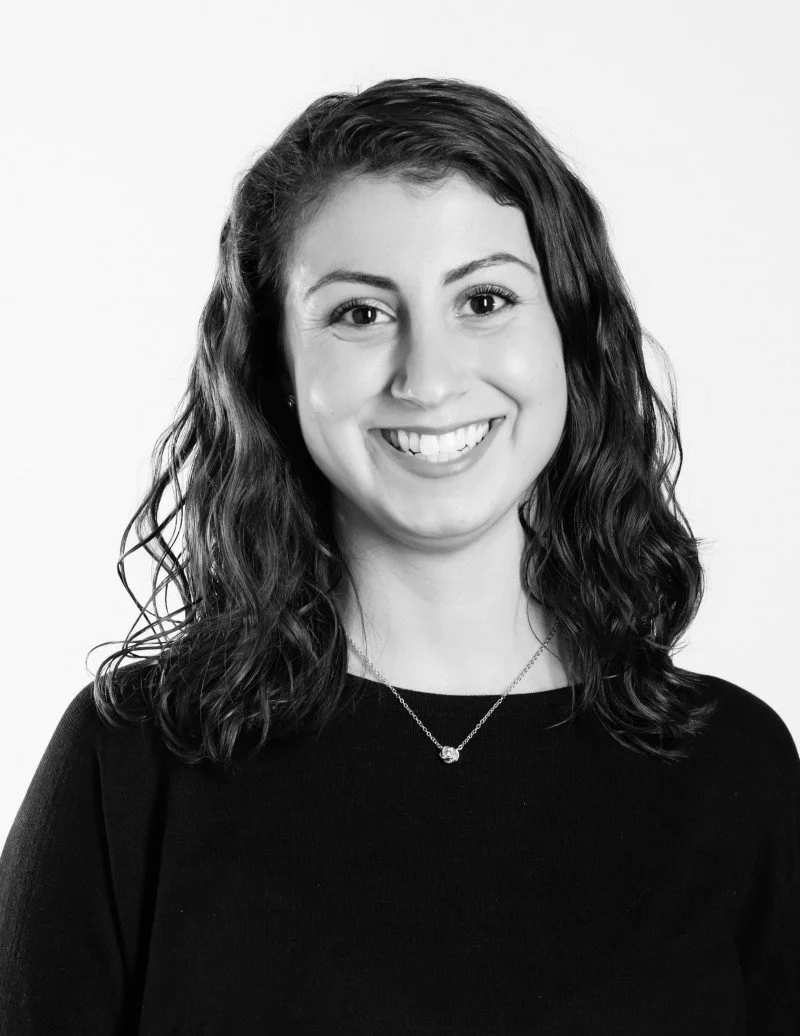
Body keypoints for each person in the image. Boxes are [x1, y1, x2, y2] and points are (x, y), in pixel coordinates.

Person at [1, 76, 797, 1034]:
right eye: (358, 314)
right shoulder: (132, 764)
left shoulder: (733, 769)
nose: (429, 378)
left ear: (571, 339)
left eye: (486, 299)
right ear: (276, 371)